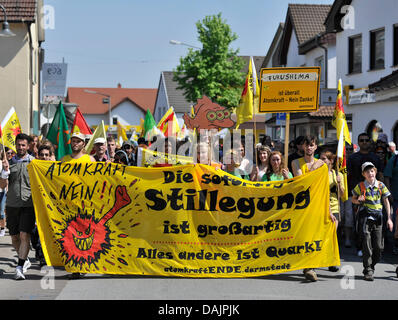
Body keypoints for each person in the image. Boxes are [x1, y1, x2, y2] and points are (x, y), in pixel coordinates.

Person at [291, 135, 335, 282]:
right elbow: (302, 182)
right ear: (302, 147)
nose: (309, 147)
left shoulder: (322, 165)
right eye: (306, 145)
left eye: (312, 145)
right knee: (304, 237)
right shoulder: (296, 162)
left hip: (318, 205)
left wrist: (329, 210)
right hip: (302, 206)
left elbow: (325, 189)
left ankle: (311, 267)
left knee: (316, 236)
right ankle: (306, 265)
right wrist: (316, 166)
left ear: (316, 147)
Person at [0, 133, 35, 280]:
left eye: (23, 145)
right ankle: (24, 259)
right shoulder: (9, 162)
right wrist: (5, 172)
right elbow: (2, 186)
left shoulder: (34, 163)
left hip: (28, 204)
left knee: (24, 234)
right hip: (12, 205)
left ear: (28, 146)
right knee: (14, 237)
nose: (20, 147)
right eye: (18, 145)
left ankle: (19, 266)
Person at [352, 162, 393, 281]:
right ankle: (368, 269)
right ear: (363, 174)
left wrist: (389, 219)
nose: (370, 173)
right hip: (365, 217)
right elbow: (353, 199)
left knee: (379, 247)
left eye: (372, 171)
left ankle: (372, 265)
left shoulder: (381, 185)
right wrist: (358, 201)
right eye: (367, 171)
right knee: (366, 242)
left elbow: (386, 201)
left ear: (375, 172)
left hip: (378, 217)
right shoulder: (360, 186)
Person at [347, 133, 383, 257]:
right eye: (361, 140)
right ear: (358, 142)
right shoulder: (352, 158)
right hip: (358, 193)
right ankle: (359, 246)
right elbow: (348, 175)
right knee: (359, 222)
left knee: (376, 222)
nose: (364, 142)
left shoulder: (375, 158)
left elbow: (380, 175)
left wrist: (382, 192)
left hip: (374, 195)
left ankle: (374, 246)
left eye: (366, 140)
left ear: (369, 142)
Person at [320, 151, 345, 272]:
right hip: (320, 207)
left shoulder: (337, 174)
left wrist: (339, 184)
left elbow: (343, 194)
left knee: (331, 235)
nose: (322, 161)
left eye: (324, 159)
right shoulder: (318, 174)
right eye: (321, 159)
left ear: (331, 161)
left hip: (334, 207)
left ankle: (331, 261)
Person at [383, 148, 398, 255]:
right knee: (396, 221)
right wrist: (389, 194)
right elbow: (387, 176)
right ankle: (394, 245)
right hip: (396, 197)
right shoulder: (394, 159)